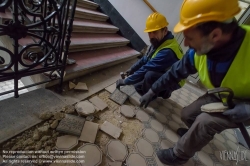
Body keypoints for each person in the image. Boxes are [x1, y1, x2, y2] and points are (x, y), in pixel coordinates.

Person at [139, 0, 250, 165]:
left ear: (215, 35)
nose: (185, 43)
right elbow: (174, 73)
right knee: (187, 115)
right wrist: (152, 91)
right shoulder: (198, 52)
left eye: (189, 38)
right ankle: (195, 135)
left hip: (244, 104)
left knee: (205, 121)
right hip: (220, 95)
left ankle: (179, 155)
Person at [116, 12, 184, 100]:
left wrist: (125, 81)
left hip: (175, 80)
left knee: (149, 75)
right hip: (165, 71)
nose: (151, 36)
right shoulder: (159, 41)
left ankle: (163, 93)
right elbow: (145, 59)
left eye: (155, 32)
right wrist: (131, 70)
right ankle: (161, 90)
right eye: (149, 32)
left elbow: (147, 68)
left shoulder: (168, 51)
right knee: (138, 84)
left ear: (165, 31)